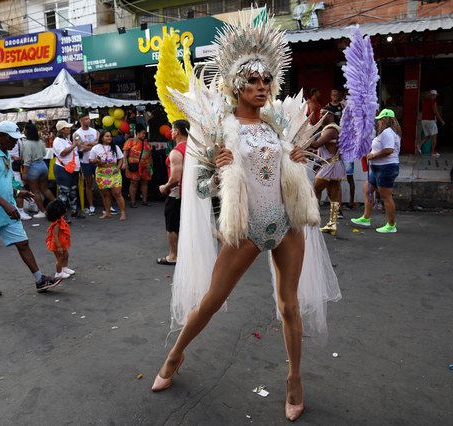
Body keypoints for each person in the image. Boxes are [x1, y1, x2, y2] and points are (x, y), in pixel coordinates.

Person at [152, 13, 341, 422]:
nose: (261, 88)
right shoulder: (219, 128)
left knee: (289, 305)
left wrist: (296, 161)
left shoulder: (279, 126)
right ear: (237, 85)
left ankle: (294, 379)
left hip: (286, 223)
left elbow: (287, 174)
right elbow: (199, 189)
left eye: (266, 81)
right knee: (211, 301)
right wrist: (217, 171)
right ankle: (175, 353)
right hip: (247, 228)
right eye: (253, 81)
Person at [0, 121, 61, 297]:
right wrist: (6, 204)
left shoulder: (4, 153)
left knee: (23, 243)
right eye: (12, 139)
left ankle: (40, 279)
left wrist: (18, 192)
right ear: (0, 136)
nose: (14, 143)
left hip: (7, 210)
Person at [351, 108, 401, 233]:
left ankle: (391, 225)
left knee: (386, 197)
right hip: (378, 168)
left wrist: (373, 156)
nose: (378, 122)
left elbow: (389, 150)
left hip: (386, 168)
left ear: (385, 120)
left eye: (380, 120)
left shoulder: (388, 133)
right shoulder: (387, 132)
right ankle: (366, 217)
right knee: (367, 189)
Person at [157, 120, 188, 265]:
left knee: (171, 226)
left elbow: (175, 178)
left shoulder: (177, 152)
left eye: (172, 129)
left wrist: (165, 186)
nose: (170, 132)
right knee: (200, 223)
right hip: (191, 193)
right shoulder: (195, 149)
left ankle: (173, 256)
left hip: (176, 194)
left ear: (176, 131)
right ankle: (225, 242)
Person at [311, 112, 344, 235]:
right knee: (333, 193)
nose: (320, 117)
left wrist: (301, 137)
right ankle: (332, 224)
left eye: (323, 114)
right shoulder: (332, 129)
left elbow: (316, 144)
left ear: (330, 115)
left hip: (329, 165)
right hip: (334, 164)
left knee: (314, 191)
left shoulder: (331, 129)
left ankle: (313, 220)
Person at [89, 129, 126, 220]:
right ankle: (107, 212)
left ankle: (123, 213)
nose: (109, 138)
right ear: (102, 138)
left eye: (110, 136)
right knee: (105, 194)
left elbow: (121, 159)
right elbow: (90, 160)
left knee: (117, 193)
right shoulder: (95, 148)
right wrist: (96, 161)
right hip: (101, 172)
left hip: (114, 171)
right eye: (107, 136)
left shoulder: (115, 147)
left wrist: (118, 168)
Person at [22, 122, 54, 218]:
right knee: (44, 189)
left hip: (33, 167)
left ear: (27, 131)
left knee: (35, 191)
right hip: (43, 165)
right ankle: (58, 204)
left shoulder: (27, 143)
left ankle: (42, 211)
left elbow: (27, 160)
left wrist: (24, 172)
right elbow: (44, 153)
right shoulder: (40, 142)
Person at [52, 120, 83, 220]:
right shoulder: (57, 141)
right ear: (61, 130)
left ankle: (74, 211)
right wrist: (74, 145)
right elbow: (63, 153)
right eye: (67, 128)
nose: (69, 129)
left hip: (73, 169)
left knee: (73, 191)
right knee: (64, 192)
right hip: (63, 169)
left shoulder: (67, 140)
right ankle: (61, 215)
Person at [74, 112, 99, 215]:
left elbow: (100, 143)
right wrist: (94, 145)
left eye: (89, 119)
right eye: (86, 119)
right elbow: (80, 148)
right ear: (81, 121)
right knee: (88, 184)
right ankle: (91, 205)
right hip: (86, 162)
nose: (88, 121)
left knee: (102, 183)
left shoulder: (95, 131)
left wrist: (87, 144)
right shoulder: (76, 133)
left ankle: (108, 204)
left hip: (97, 160)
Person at [123, 124, 153, 208]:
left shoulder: (146, 142)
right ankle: (132, 202)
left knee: (145, 182)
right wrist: (124, 163)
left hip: (146, 166)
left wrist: (151, 166)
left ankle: (144, 200)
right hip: (134, 165)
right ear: (138, 133)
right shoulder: (130, 141)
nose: (144, 135)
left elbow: (150, 155)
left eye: (145, 134)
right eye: (143, 133)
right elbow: (125, 152)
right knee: (134, 183)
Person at [45, 199, 75, 280]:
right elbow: (55, 236)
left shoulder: (61, 220)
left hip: (62, 243)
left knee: (66, 255)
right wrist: (59, 247)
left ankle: (64, 268)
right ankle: (58, 273)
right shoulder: (56, 224)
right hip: (57, 244)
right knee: (60, 258)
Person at [418, 89, 445, 157]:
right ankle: (432, 152)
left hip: (424, 120)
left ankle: (419, 145)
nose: (435, 96)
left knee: (427, 136)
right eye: (435, 95)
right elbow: (435, 112)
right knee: (434, 136)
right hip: (430, 120)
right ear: (432, 95)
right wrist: (441, 120)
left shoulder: (424, 101)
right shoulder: (433, 102)